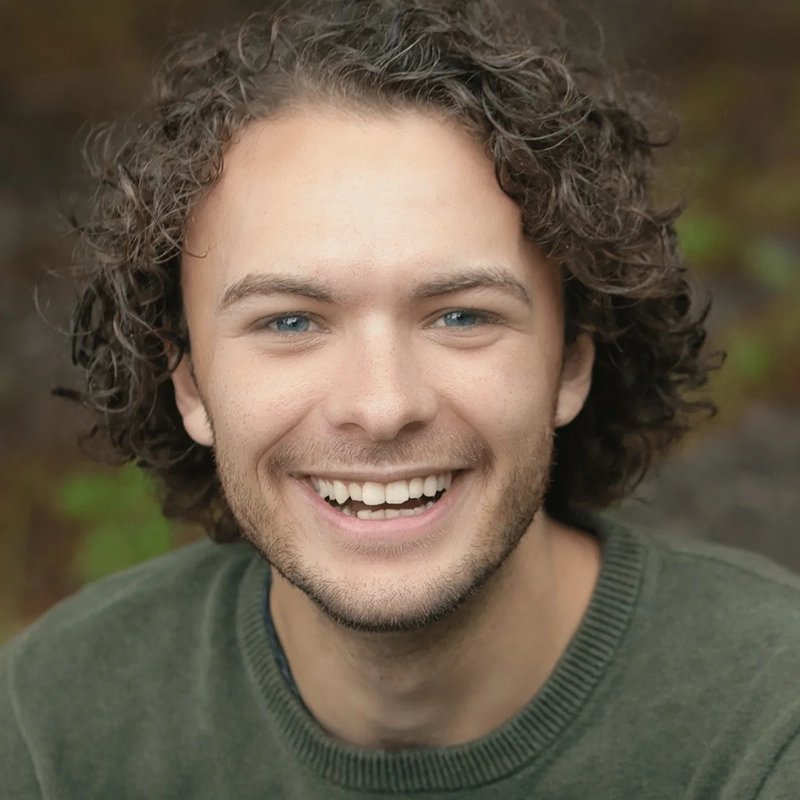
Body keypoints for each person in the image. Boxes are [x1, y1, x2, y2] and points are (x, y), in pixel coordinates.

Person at [2, 0, 799, 797]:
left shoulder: (769, 721)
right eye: (289, 321)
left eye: (461, 316)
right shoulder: (52, 728)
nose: (382, 407)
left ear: (570, 366)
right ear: (190, 386)